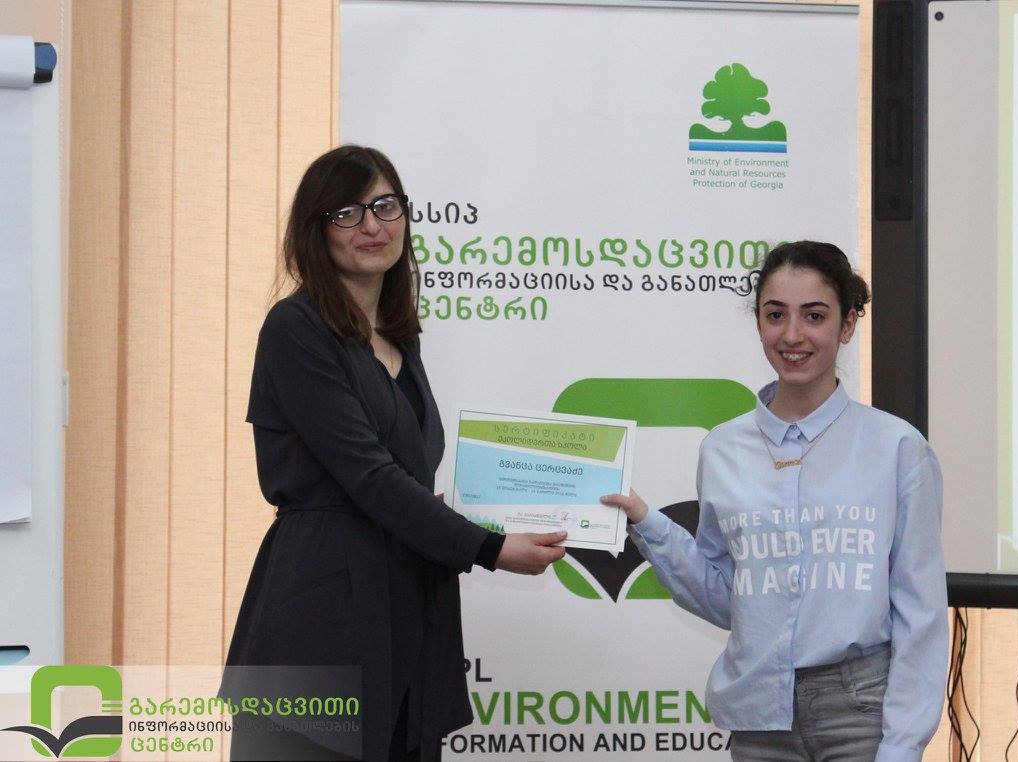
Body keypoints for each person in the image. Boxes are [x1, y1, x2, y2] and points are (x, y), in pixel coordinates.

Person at [222, 145, 566, 762]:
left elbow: (406, 476)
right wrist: (488, 547)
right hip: (323, 612)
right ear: (316, 229)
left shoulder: (399, 337)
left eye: (385, 206)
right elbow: (369, 476)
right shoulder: (296, 328)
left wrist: (472, 513)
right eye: (347, 212)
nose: (372, 225)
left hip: (411, 603)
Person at [602, 241, 947, 762]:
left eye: (815, 316)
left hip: (862, 714)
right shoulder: (722, 448)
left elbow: (921, 612)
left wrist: (903, 744)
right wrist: (646, 522)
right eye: (775, 315)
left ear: (848, 324)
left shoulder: (897, 448)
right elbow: (730, 599)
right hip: (758, 715)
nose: (792, 335)